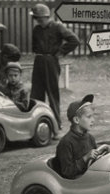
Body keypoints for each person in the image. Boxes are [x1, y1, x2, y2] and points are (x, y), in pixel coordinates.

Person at [29, 3, 80, 135]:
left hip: (51, 61)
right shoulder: (36, 30)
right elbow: (34, 46)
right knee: (36, 94)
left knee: (52, 94)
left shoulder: (58, 27)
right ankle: (37, 125)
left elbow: (74, 40)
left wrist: (60, 52)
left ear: (47, 17)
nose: (38, 21)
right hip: (39, 60)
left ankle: (56, 126)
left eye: (40, 19)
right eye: (36, 19)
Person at [55, 94, 110, 179]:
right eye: (89, 117)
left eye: (93, 116)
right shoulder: (66, 143)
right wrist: (85, 158)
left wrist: (105, 155)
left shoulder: (90, 138)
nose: (93, 120)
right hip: (75, 184)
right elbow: (67, 172)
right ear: (76, 120)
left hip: (88, 179)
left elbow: (95, 163)